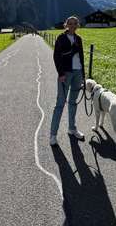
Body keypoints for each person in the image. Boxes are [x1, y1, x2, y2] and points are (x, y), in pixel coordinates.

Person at [50, 15, 85, 146]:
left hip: (77, 73)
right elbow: (57, 57)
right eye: (70, 23)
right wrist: (61, 73)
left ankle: (72, 128)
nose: (72, 25)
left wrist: (83, 75)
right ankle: (53, 135)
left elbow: (81, 57)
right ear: (66, 25)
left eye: (75, 23)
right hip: (66, 73)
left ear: (77, 25)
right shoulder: (61, 38)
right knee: (60, 104)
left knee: (73, 102)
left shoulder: (79, 39)